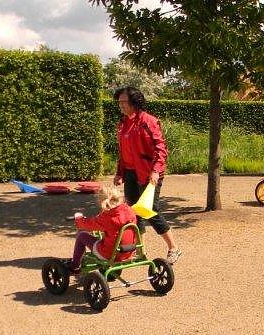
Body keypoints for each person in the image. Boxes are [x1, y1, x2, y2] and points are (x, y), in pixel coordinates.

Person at [113, 86, 182, 264]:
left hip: (149, 173)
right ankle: (140, 251)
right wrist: (119, 173)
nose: (121, 105)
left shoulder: (148, 121)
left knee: (150, 211)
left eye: (124, 102)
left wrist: (156, 171)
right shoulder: (122, 123)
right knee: (134, 211)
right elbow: (123, 151)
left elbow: (161, 149)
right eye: (119, 102)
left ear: (135, 102)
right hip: (129, 173)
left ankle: (174, 248)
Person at [70, 185, 137, 273]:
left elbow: (88, 225)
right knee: (108, 237)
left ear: (102, 201)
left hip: (110, 254)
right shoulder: (129, 211)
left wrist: (79, 218)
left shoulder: (108, 217)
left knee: (82, 235)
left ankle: (75, 266)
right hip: (128, 252)